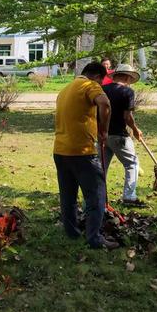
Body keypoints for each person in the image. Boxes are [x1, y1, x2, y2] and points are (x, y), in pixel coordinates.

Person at [53, 61, 118, 249]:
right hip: (82, 152)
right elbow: (105, 103)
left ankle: (72, 232)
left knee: (68, 195)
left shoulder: (64, 90)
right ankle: (94, 238)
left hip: (60, 150)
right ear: (97, 76)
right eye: (101, 80)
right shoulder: (91, 85)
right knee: (96, 195)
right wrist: (104, 130)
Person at [103, 64, 144, 206]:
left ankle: (99, 196)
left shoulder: (102, 90)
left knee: (102, 167)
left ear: (115, 76)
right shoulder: (127, 92)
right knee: (132, 163)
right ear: (127, 77)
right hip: (119, 136)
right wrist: (135, 129)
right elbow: (127, 117)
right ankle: (129, 197)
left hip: (102, 135)